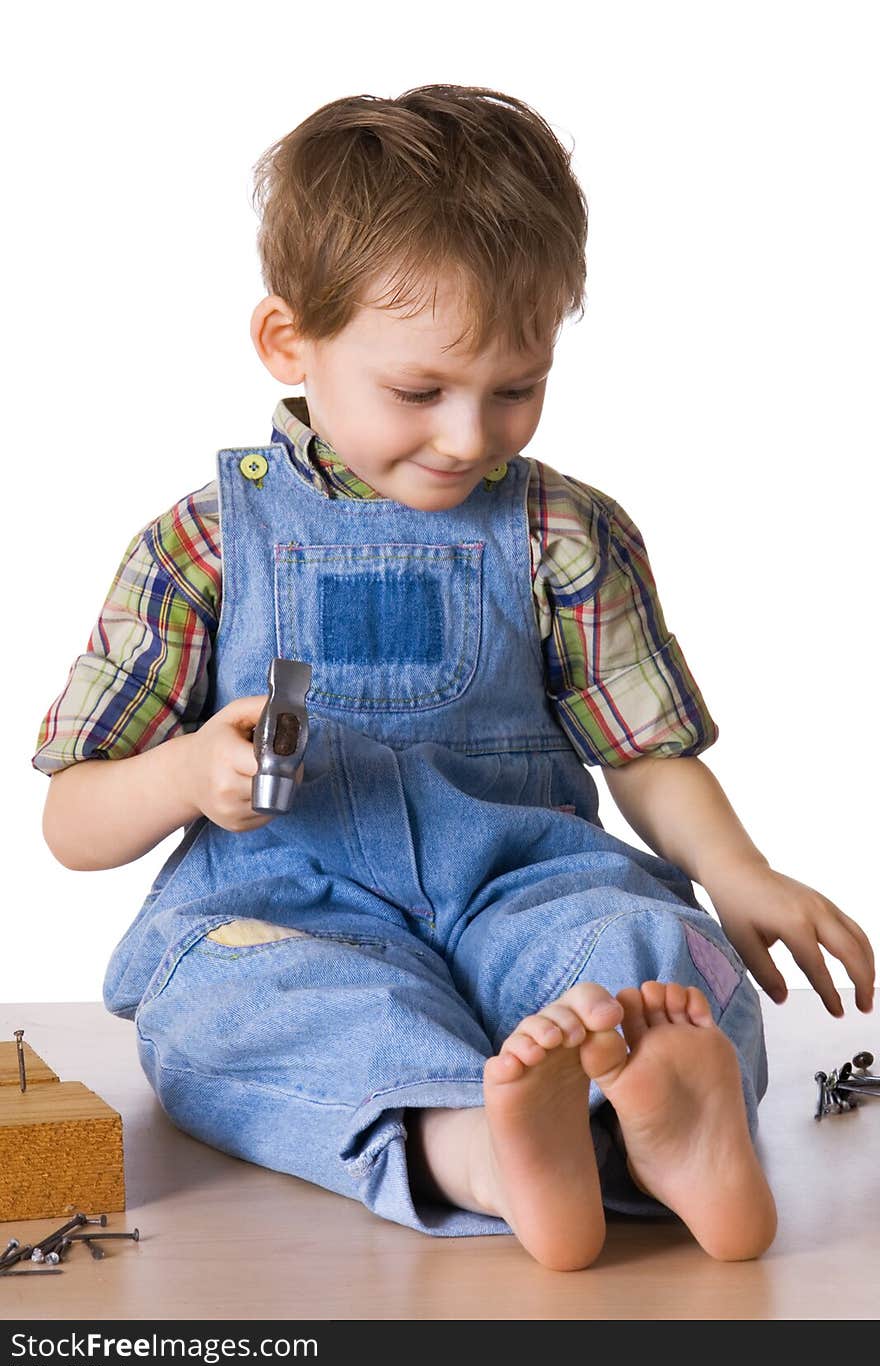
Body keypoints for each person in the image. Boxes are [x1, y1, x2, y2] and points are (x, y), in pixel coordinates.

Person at [33, 85, 873, 1273]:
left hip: (523, 889)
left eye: (516, 386)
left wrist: (735, 875)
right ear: (289, 342)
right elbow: (74, 819)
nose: (473, 436)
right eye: (420, 391)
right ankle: (485, 1146)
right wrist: (181, 773)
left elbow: (644, 752)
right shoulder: (204, 546)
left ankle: (654, 1128)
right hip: (287, 912)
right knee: (239, 1009)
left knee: (651, 953)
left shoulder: (562, 534)